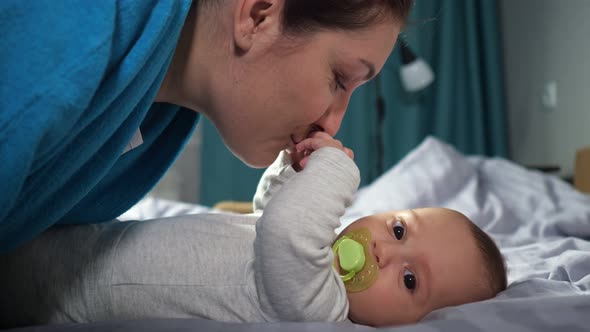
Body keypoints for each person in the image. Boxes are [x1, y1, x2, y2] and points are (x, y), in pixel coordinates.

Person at [0, 0, 413, 253]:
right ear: (258, 15)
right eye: (340, 79)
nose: (333, 122)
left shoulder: (161, 113)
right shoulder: (72, 23)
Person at [0, 133, 507, 328]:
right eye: (399, 230)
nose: (381, 251)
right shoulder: (313, 256)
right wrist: (293, 171)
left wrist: (336, 171)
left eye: (410, 281)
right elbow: (271, 214)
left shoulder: (317, 305)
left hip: (59, 289)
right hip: (83, 241)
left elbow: (286, 232)